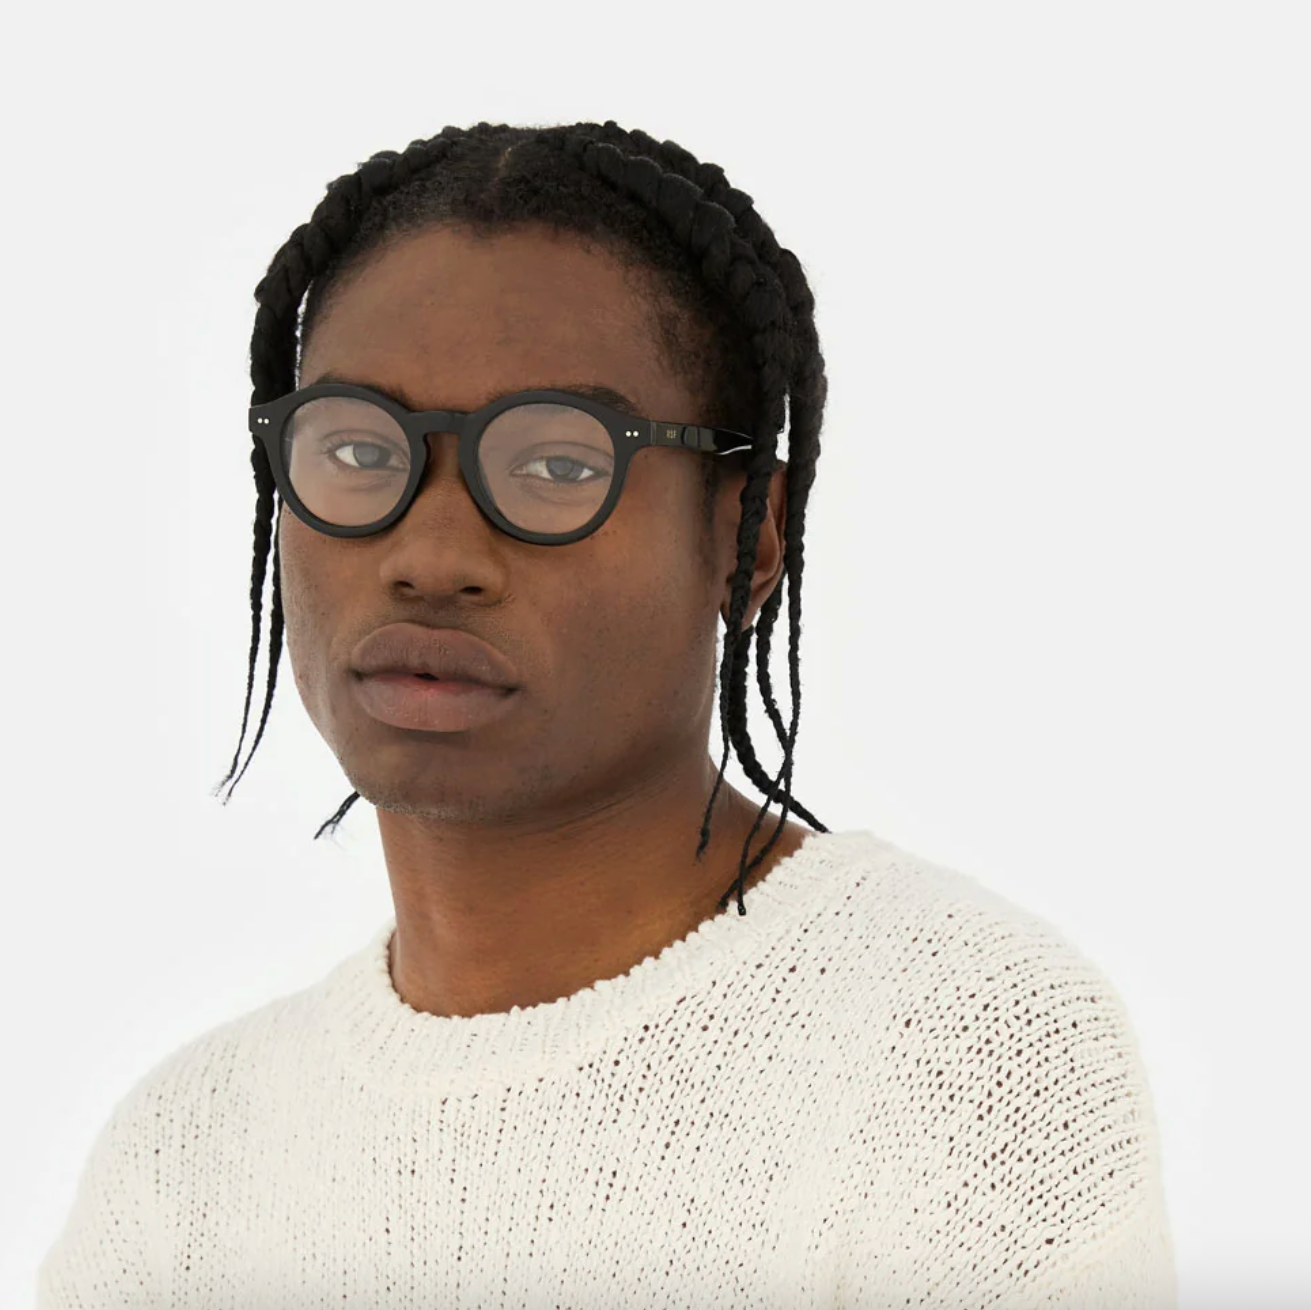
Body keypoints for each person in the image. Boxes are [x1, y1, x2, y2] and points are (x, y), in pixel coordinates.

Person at [37, 120, 1176, 1307]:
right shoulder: (183, 1163)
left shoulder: (963, 1050)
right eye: (360, 449)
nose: (431, 554)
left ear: (749, 540)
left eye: (558, 465)